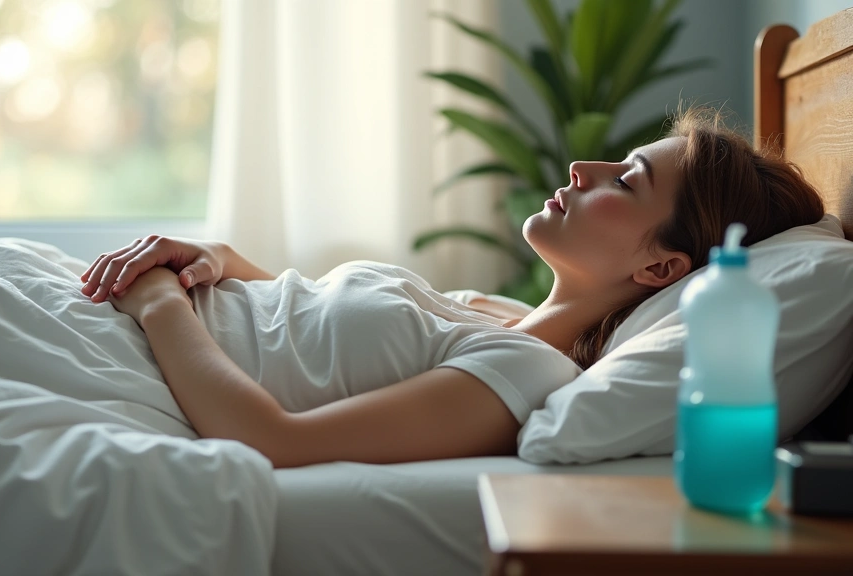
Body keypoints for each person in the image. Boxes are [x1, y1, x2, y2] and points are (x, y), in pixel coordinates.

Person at [80, 107, 824, 469]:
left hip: (122, 351)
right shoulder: (496, 317)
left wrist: (159, 302)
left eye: (625, 180)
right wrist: (212, 255)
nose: (581, 169)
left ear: (661, 270)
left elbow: (274, 441)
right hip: (108, 318)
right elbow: (301, 321)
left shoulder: (528, 370)